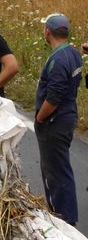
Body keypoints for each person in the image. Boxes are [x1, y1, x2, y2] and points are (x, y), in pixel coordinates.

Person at [35, 13, 81, 226]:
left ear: (48, 32)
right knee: (61, 169)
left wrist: (40, 118)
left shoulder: (59, 59)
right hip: (68, 116)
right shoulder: (73, 53)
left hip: (55, 122)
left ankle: (63, 220)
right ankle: (64, 216)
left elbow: (53, 97)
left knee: (55, 172)